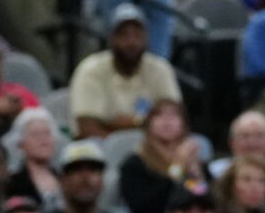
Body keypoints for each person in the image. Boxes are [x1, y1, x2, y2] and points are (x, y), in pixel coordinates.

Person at [67, 7, 182, 136]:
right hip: (100, 149)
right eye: (124, 34)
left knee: (201, 143)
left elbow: (173, 119)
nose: (131, 42)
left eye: (137, 35)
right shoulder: (90, 70)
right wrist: (128, 139)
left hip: (151, 147)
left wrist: (126, 123)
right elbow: (87, 130)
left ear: (146, 38)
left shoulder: (160, 69)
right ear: (111, 38)